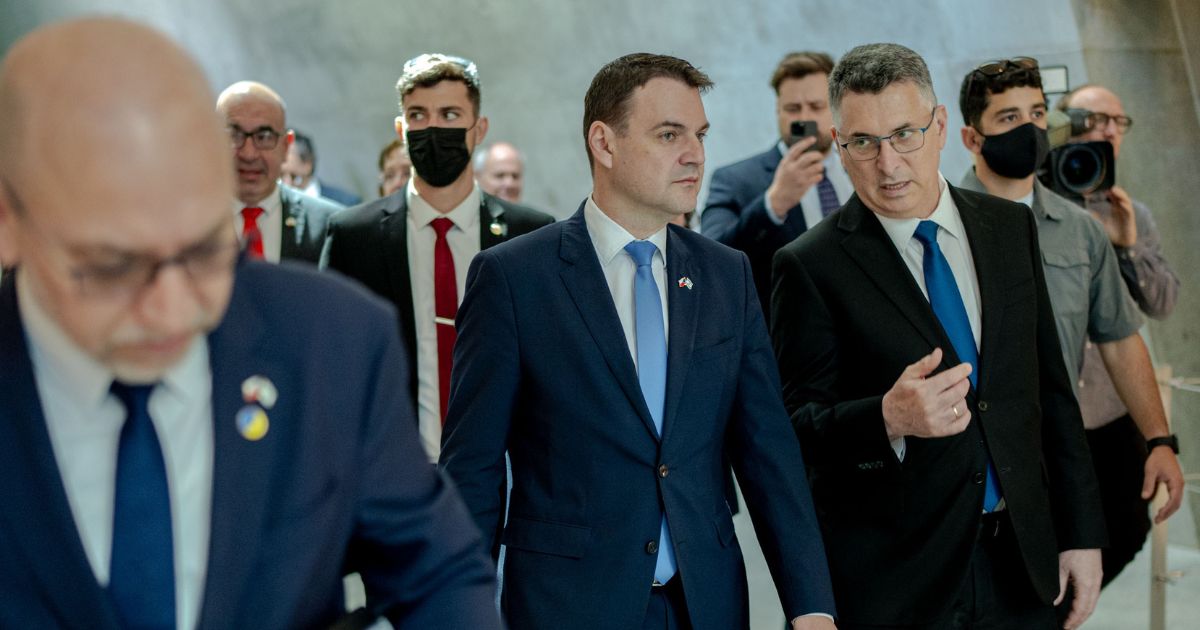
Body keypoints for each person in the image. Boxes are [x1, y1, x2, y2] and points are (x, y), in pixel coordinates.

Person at [0, 18, 501, 629]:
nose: (172, 306)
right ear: (10, 221)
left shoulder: (330, 342)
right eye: (115, 266)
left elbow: (439, 574)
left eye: (205, 251)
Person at [441, 52, 836, 630]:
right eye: (669, 134)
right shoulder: (514, 277)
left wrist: (811, 606)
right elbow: (473, 468)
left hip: (705, 603)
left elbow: (769, 454)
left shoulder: (726, 275)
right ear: (604, 143)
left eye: (699, 135)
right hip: (568, 606)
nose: (695, 154)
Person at [771, 43, 1105, 630]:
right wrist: (886, 417)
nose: (888, 163)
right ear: (839, 145)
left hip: (1023, 565)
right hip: (900, 582)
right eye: (863, 144)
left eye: (905, 134)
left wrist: (1080, 534)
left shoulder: (1008, 227)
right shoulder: (809, 265)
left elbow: (1050, 392)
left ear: (941, 126)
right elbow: (794, 427)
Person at [955, 62, 1183, 584]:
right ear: (972, 136)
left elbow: (1121, 338)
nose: (1029, 129)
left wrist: (1159, 440)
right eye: (1009, 116)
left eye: (1037, 113)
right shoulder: (944, 226)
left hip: (1071, 439)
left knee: (1096, 553)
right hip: (982, 448)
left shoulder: (1082, 230)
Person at [322, 54, 554, 460]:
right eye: (418, 115)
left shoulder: (530, 234)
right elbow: (331, 360)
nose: (434, 128)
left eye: (450, 115)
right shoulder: (351, 235)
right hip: (391, 469)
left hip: (501, 475)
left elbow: (550, 365)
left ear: (478, 128)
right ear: (401, 128)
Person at [1058, 83, 1182, 585]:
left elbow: (1164, 302)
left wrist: (1128, 245)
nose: (1108, 130)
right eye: (1094, 119)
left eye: (1117, 121)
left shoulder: (1136, 213)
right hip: (1057, 411)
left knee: (1129, 524)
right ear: (1066, 127)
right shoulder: (1034, 211)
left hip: (1114, 408)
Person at [701, 51, 852, 321]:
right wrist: (773, 204)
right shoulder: (735, 180)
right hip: (788, 342)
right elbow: (710, 260)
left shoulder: (860, 167)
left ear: (835, 108)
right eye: (793, 109)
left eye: (816, 107)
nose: (804, 119)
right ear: (777, 111)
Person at [216, 81, 342, 265]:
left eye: (264, 137)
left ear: (285, 146)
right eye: (233, 136)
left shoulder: (329, 226)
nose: (249, 154)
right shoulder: (181, 223)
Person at [280, 130, 362, 206]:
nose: (286, 183)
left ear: (308, 164)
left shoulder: (344, 203)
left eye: (293, 177)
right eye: (280, 177)